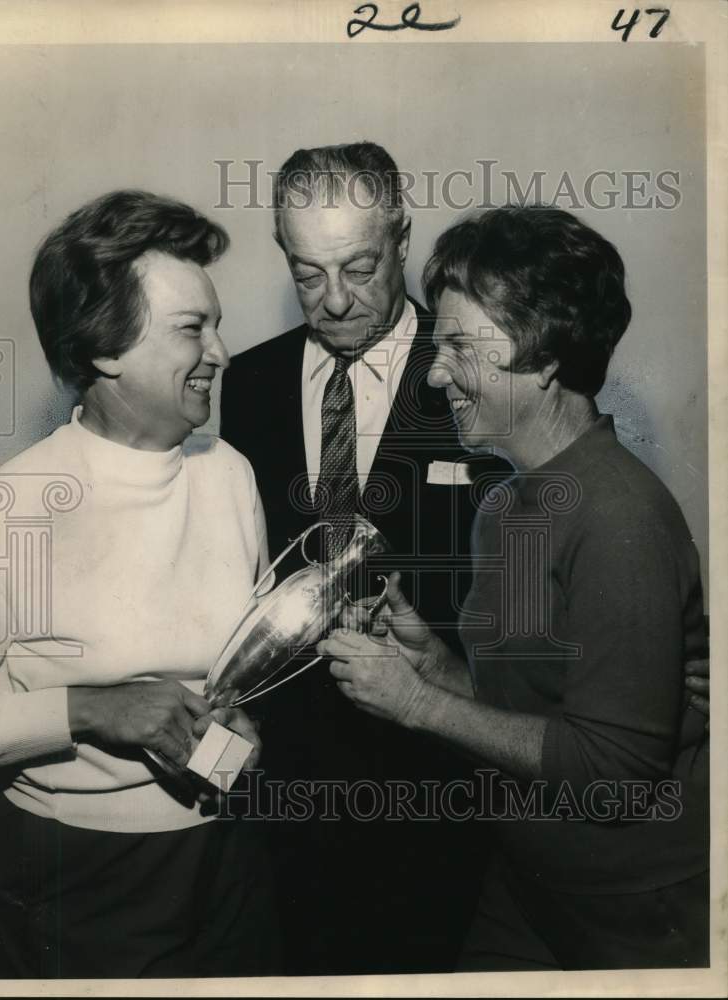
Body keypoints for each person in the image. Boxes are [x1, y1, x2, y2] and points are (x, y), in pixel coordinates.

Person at [319, 206, 709, 969]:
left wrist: (417, 704)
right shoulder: (503, 503)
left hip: (632, 903)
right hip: (528, 877)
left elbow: (614, 772)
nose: (433, 376)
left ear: (543, 359)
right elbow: (533, 717)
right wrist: (435, 665)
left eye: (459, 347)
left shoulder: (619, 518)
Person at [0, 190, 280, 978]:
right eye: (192, 329)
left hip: (231, 855)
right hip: (78, 876)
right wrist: (97, 709)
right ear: (103, 348)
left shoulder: (231, 476)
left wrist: (242, 719)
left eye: (216, 323)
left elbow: (242, 663)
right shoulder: (1, 513)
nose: (222, 352)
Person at [220, 142, 500, 974]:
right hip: (284, 790)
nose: (334, 301)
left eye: (358, 267)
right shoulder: (249, 383)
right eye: (308, 274)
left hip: (435, 787)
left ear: (403, 238)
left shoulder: (473, 379)